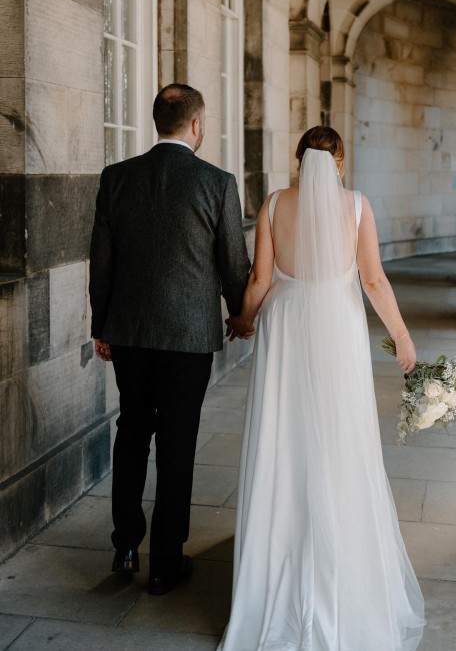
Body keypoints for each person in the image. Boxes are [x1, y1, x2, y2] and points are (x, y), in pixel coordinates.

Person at [220, 126, 424, 651]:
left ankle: (277, 567)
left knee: (283, 435)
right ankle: (340, 569)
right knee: (339, 436)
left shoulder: (272, 205)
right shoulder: (356, 205)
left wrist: (243, 321)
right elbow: (374, 280)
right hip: (336, 323)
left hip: (286, 325)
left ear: (297, 160)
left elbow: (261, 281)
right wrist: (401, 337)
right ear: (338, 161)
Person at [89, 83, 250, 596]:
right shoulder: (217, 183)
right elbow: (233, 264)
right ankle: (164, 562)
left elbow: (102, 264)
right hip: (188, 336)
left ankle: (125, 546)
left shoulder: (116, 178)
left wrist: (101, 327)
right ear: (197, 124)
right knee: (178, 444)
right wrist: (241, 313)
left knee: (133, 431)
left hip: (130, 334)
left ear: (157, 119)